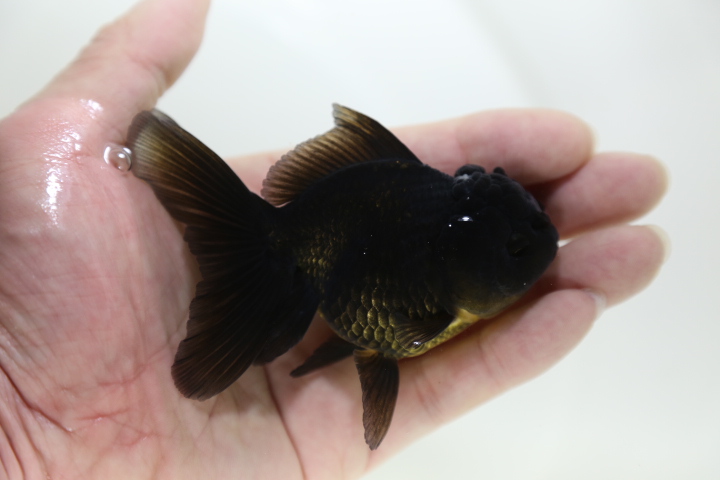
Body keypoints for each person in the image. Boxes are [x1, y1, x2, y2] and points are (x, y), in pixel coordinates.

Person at [0, 0, 668, 478]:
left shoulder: (430, 284)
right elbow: (395, 339)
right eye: (518, 255)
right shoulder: (425, 307)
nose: (536, 252)